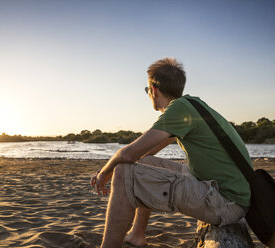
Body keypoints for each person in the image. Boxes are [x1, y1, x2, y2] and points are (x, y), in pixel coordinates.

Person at [91, 58, 251, 248]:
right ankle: (137, 234)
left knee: (122, 172)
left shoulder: (179, 108)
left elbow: (127, 154)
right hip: (225, 191)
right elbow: (145, 153)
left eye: (147, 90)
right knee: (146, 163)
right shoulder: (191, 105)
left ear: (154, 90)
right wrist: (128, 165)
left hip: (227, 202)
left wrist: (104, 173)